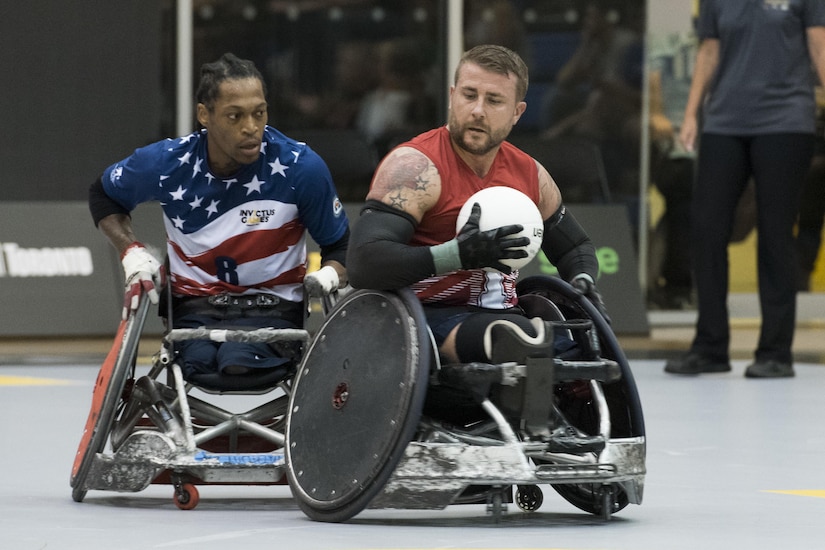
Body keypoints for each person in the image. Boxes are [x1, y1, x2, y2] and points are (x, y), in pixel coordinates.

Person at [346, 44, 606, 449]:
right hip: (420, 320)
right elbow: (363, 263)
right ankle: (540, 421)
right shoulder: (414, 167)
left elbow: (575, 248)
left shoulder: (530, 174)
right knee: (514, 334)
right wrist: (457, 255)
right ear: (452, 96)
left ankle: (568, 411)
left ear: (517, 112)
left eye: (494, 100)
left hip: (502, 311)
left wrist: (584, 281)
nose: (478, 110)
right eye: (469, 95)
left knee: (579, 341)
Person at [89, 53, 349, 388]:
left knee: (237, 363)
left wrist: (329, 275)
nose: (251, 127)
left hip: (276, 314)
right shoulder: (168, 163)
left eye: (259, 113)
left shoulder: (301, 168)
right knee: (199, 362)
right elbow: (103, 193)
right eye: (234, 116)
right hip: (193, 312)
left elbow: (340, 246)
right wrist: (131, 252)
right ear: (204, 115)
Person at [664, 1, 825, 378]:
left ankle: (775, 352)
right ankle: (710, 347)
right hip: (723, 121)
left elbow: (819, 45)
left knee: (775, 235)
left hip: (786, 120)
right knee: (707, 230)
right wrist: (690, 113)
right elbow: (708, 52)